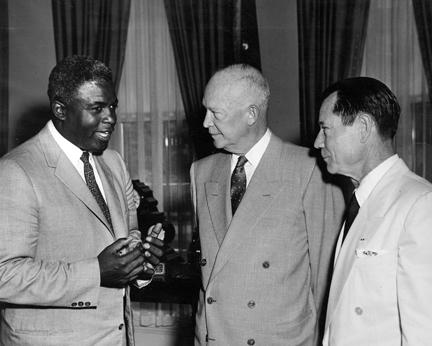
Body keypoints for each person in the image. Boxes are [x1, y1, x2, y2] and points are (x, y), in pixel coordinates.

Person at [0, 55, 164, 346]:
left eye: (113, 106)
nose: (111, 118)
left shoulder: (114, 163)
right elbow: (5, 275)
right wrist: (96, 272)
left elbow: (129, 239)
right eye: (97, 108)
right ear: (61, 110)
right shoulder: (16, 170)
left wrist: (143, 262)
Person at [190, 64, 344, 345]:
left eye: (216, 114)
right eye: (205, 110)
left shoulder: (310, 170)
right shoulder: (201, 172)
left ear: (251, 114)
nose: (205, 123)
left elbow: (327, 279)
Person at [314, 77, 432, 345]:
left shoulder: (420, 204)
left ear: (364, 127)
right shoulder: (359, 202)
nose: (317, 142)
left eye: (325, 129)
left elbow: (424, 334)